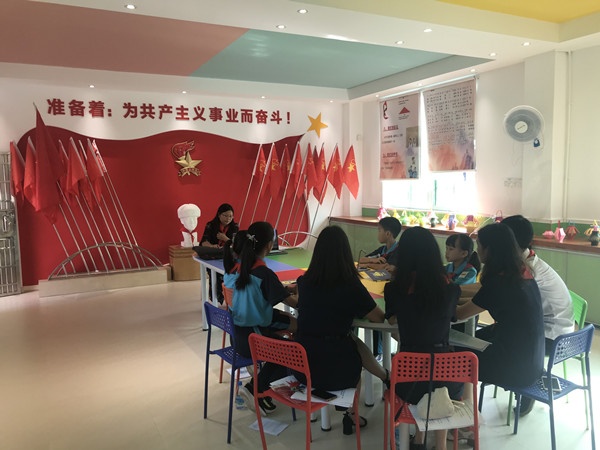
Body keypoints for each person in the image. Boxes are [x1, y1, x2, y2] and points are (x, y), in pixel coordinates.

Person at [295, 225, 388, 435]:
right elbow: (378, 317)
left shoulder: (304, 282)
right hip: (338, 369)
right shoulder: (350, 286)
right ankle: (352, 414)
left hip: (302, 367)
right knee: (350, 347)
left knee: (347, 340)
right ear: (345, 254)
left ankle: (384, 378)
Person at [384, 227, 462, 450]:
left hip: (408, 380)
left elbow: (391, 320)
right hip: (445, 380)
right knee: (438, 376)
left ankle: (418, 440)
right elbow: (450, 316)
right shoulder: (450, 290)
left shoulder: (393, 290)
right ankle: (440, 445)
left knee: (422, 368)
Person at [455, 223, 545, 391]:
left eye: (479, 246)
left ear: (489, 249)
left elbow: (460, 314)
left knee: (452, 356)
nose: (477, 251)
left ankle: (463, 402)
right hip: (533, 362)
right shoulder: (521, 272)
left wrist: (438, 299)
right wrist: (454, 293)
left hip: (516, 368)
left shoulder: (498, 282)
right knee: (468, 339)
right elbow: (478, 300)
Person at [501, 215, 574, 416]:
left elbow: (499, 297)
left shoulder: (527, 269)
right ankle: (524, 378)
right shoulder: (526, 260)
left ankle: (527, 384)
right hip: (563, 331)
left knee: (503, 339)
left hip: (555, 338)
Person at [223, 222, 298, 416]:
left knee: (292, 323)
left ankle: (266, 384)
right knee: (292, 352)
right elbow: (294, 303)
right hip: (252, 338)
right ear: (269, 245)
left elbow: (264, 291)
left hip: (238, 333)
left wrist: (283, 289)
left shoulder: (236, 268)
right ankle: (256, 388)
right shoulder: (264, 274)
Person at [358, 216, 402, 359]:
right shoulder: (383, 249)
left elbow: (388, 268)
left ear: (388, 233)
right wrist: (375, 261)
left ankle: (379, 351)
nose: (378, 233)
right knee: (374, 310)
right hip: (377, 287)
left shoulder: (398, 250)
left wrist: (373, 264)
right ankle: (377, 351)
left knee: (380, 314)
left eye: (379, 230)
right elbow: (361, 260)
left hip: (387, 291)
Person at [201, 203, 239, 302]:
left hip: (229, 256)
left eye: (230, 216)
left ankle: (229, 297)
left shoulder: (235, 226)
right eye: (225, 216)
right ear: (219, 215)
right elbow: (204, 241)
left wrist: (225, 239)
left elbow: (237, 244)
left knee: (232, 273)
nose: (228, 219)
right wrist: (211, 246)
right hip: (213, 255)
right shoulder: (211, 225)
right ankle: (216, 298)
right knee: (215, 274)